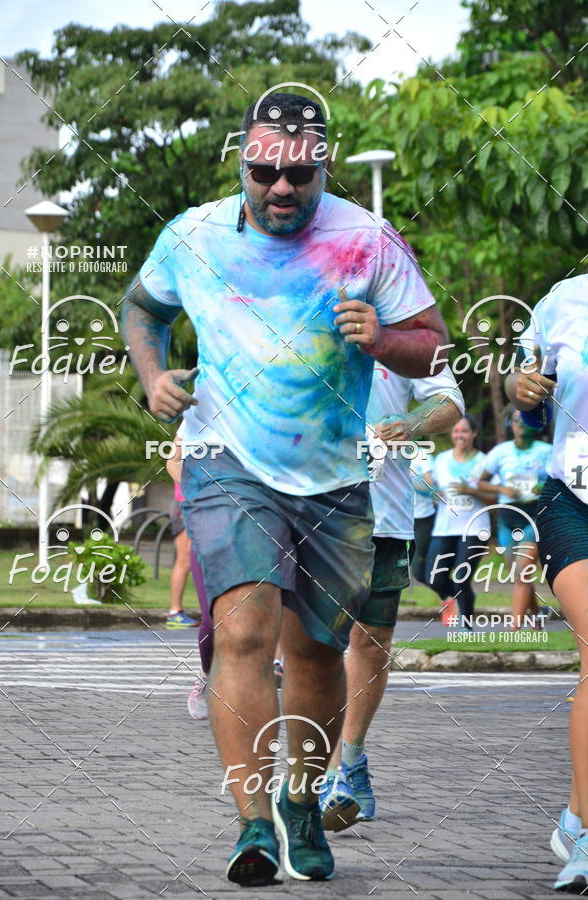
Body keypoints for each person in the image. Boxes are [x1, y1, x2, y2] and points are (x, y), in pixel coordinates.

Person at [122, 91, 449, 887]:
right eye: (264, 171)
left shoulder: (367, 240)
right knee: (242, 632)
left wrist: (385, 338)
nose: (280, 189)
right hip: (225, 461)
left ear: (323, 169)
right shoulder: (193, 236)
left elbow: (434, 349)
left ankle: (302, 800)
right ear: (241, 160)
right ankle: (250, 825)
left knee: (314, 651)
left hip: (336, 479)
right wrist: (154, 375)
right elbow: (141, 307)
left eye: (298, 175)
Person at [319, 362, 463, 831]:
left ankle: (351, 759)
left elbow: (450, 401)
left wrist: (413, 424)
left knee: (370, 640)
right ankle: (324, 772)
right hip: (309, 509)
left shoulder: (403, 323)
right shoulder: (289, 308)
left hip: (385, 515)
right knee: (314, 643)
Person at [505, 274, 588, 893]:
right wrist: (522, 386)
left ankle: (576, 817)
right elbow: (520, 388)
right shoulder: (565, 299)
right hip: (571, 498)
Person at [477, 409, 552, 630]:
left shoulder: (547, 451)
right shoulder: (500, 452)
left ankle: (515, 629)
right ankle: (537, 616)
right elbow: (481, 482)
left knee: (522, 571)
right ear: (511, 424)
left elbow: (562, 480)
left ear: (534, 424)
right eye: (516, 420)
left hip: (534, 515)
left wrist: (544, 487)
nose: (521, 424)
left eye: (525, 420)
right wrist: (502, 488)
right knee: (519, 575)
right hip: (507, 517)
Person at [424, 415, 493, 629]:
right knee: (433, 578)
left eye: (464, 431)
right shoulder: (441, 460)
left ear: (474, 433)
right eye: (456, 431)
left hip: (475, 527)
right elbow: (433, 488)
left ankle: (467, 625)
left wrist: (471, 490)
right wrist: (434, 493)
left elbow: (495, 499)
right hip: (444, 528)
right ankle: (458, 601)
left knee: (461, 578)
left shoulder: (485, 462)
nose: (460, 435)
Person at [167, 438, 211, 719]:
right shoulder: (195, 417)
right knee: (213, 618)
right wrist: (196, 489)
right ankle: (205, 676)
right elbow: (172, 461)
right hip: (204, 521)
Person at [166, 483, 199, 629]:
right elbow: (172, 465)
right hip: (186, 503)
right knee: (184, 560)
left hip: (198, 503)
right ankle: (175, 612)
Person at [410, 449, 437, 586]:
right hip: (396, 519)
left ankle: (450, 596)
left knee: (418, 571)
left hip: (422, 517)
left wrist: (410, 478)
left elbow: (430, 484)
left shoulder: (422, 454)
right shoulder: (381, 452)